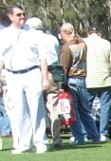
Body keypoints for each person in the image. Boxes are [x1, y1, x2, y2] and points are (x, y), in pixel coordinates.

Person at [0, 4, 51, 153]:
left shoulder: (34, 34)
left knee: (36, 108)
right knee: (19, 110)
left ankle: (40, 142)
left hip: (31, 73)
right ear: (10, 17)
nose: (22, 17)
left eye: (23, 14)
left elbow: (43, 59)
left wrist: (45, 78)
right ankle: (24, 143)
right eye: (18, 15)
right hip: (12, 75)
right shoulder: (3, 35)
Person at [59, 23, 100, 144]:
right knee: (85, 110)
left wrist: (62, 82)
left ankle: (79, 137)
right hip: (82, 78)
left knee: (73, 111)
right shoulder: (83, 43)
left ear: (65, 32)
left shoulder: (67, 47)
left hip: (71, 79)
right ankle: (94, 135)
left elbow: (64, 67)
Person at [25, 17, 61, 149]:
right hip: (53, 73)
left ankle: (36, 139)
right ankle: (56, 138)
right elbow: (57, 53)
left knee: (33, 108)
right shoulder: (52, 38)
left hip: (36, 73)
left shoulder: (27, 38)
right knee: (53, 108)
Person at [84, 25, 111, 141]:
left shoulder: (83, 42)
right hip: (105, 80)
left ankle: (86, 132)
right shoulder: (106, 43)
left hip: (89, 80)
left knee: (85, 109)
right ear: (98, 33)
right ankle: (103, 133)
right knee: (105, 108)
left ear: (88, 33)